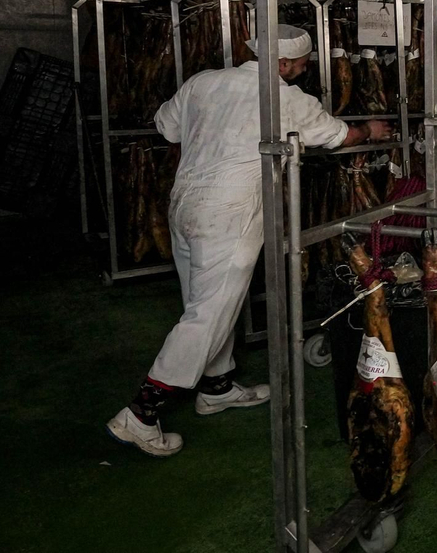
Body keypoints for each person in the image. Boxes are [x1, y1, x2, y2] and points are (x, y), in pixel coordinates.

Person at [106, 25, 392, 457]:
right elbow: (337, 137)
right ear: (283, 64)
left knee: (205, 300)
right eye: (302, 64)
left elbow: (167, 127)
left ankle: (217, 388)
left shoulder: (203, 81)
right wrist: (369, 130)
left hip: (185, 204)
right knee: (207, 313)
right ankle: (141, 413)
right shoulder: (287, 98)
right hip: (231, 213)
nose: (305, 70)